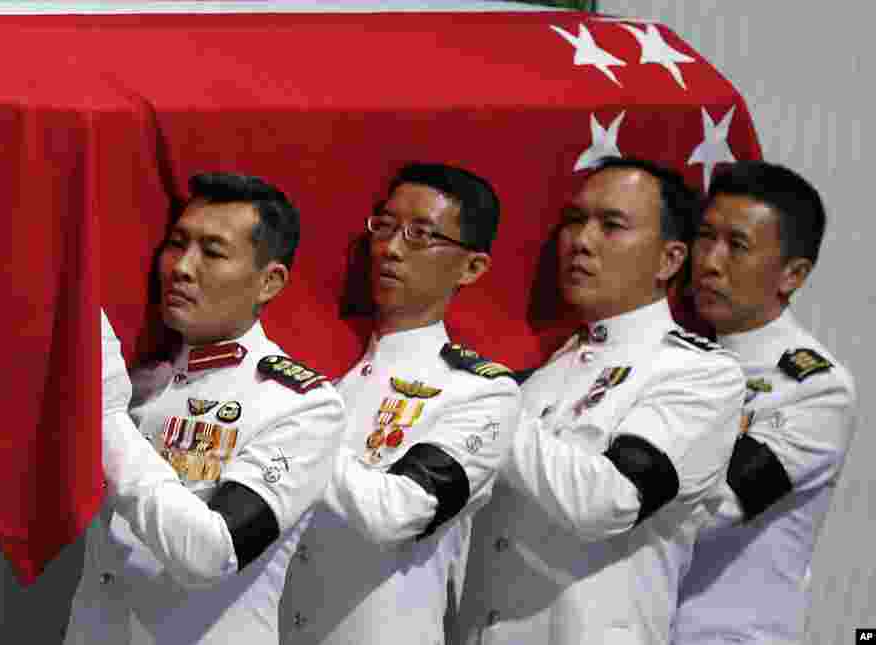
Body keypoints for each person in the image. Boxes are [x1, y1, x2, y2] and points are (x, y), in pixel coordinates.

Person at [454, 157, 745, 645]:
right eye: (574, 221)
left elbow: (606, 501)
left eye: (611, 225)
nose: (581, 241)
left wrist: (487, 409)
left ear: (669, 260)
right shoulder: (545, 372)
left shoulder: (700, 375)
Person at [65, 172, 346, 645]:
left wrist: (109, 418)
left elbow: (212, 552)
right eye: (176, 244)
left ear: (269, 282)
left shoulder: (302, 405)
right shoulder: (140, 377)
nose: (182, 267)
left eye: (212, 252)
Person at [279, 163, 521, 645]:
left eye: (420, 235)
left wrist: (291, 438)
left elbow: (398, 513)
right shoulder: (321, 362)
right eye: (385, 227)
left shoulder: (480, 392)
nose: (390, 248)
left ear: (472, 267)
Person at [674, 161, 857, 645]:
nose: (709, 262)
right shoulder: (675, 359)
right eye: (704, 237)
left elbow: (710, 509)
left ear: (793, 275)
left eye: (736, 246)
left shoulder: (814, 389)